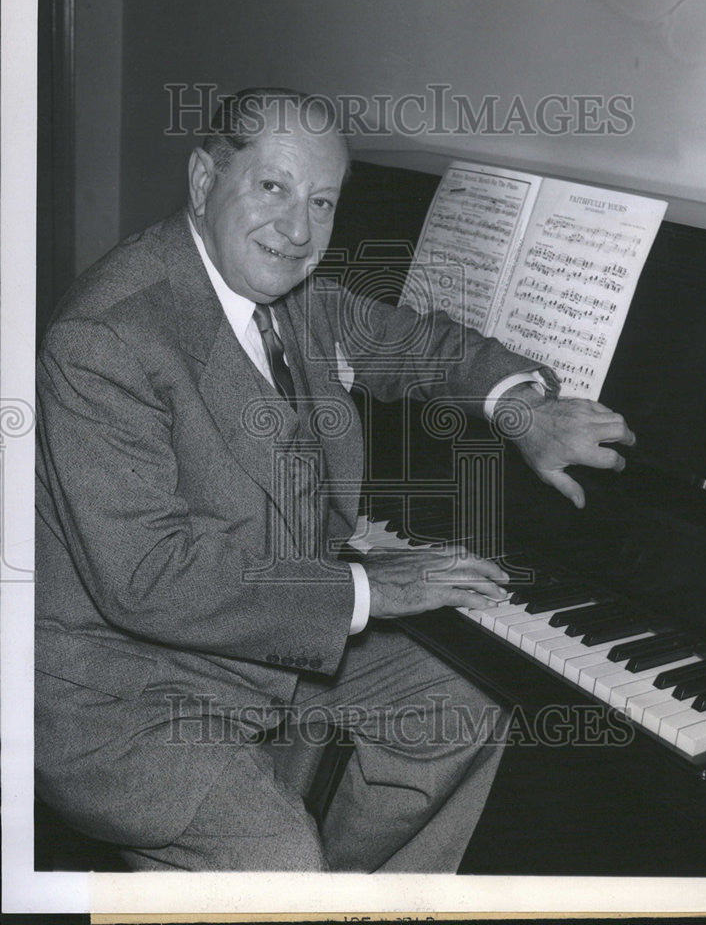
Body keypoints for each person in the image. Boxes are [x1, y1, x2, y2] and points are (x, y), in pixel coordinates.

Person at [35, 88, 635, 872]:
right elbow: (151, 579)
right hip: (124, 687)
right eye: (273, 187)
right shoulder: (105, 339)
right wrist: (368, 589)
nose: (298, 230)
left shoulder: (293, 295)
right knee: (278, 858)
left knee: (465, 700)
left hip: (263, 639)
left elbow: (414, 343)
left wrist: (522, 411)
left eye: (322, 201)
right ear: (203, 179)